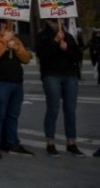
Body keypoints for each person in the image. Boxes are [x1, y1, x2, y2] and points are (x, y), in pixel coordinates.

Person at [34, 20, 84, 157]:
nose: (59, 22)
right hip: (51, 75)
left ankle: (71, 142)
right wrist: (55, 42)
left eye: (61, 19)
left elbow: (77, 56)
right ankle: (50, 142)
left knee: (70, 109)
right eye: (55, 20)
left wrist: (66, 48)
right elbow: (42, 55)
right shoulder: (43, 36)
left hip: (70, 75)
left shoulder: (68, 35)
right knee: (53, 108)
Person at [0, 18, 33, 158]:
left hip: (16, 82)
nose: (11, 25)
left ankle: (13, 143)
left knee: (13, 115)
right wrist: (4, 41)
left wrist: (17, 48)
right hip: (0, 82)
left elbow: (26, 58)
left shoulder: (15, 38)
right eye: (8, 22)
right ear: (2, 24)